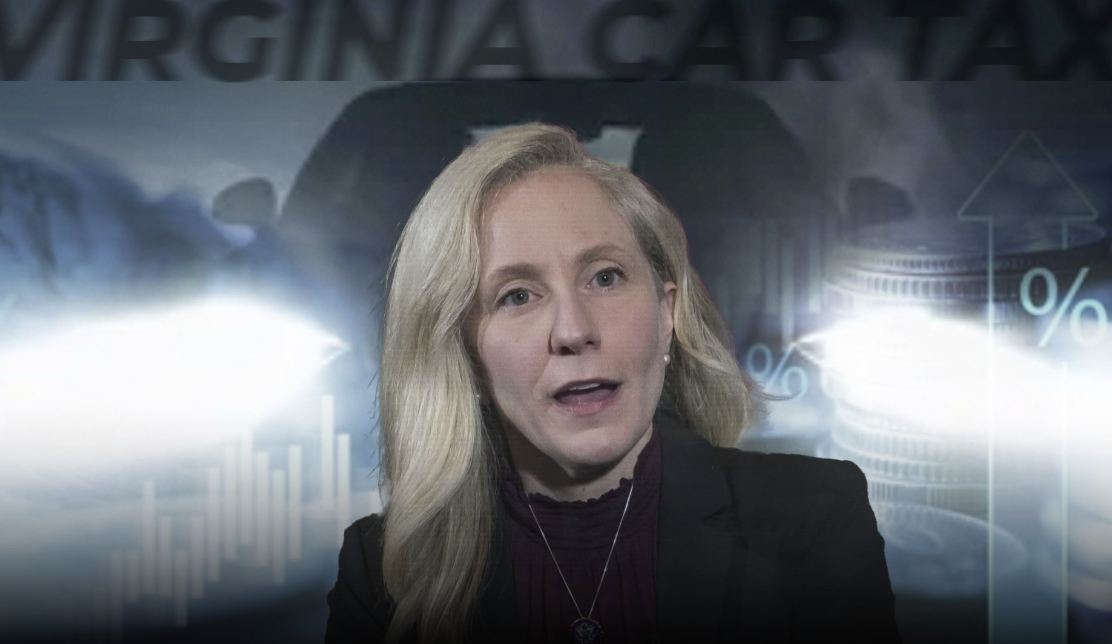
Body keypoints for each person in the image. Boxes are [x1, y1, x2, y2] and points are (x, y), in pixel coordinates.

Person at [325, 123, 901, 643]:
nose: (574, 331)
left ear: (666, 312)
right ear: (464, 356)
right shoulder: (382, 572)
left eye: (605, 277)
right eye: (517, 295)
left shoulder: (817, 516)